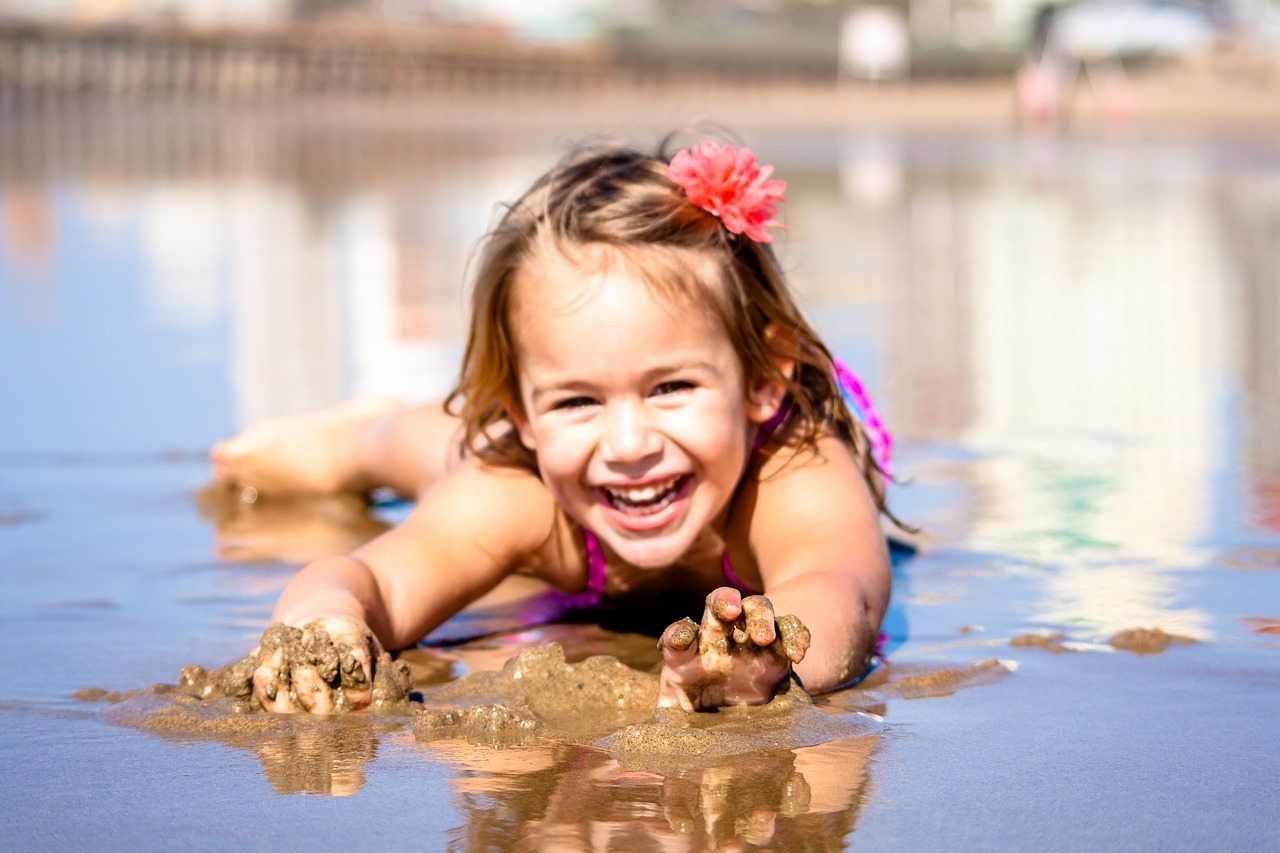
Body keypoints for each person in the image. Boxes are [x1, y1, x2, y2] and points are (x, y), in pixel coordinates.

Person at [211, 136, 900, 714]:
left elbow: (842, 590)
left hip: (751, 432)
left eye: (671, 387)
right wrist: (325, 622)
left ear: (759, 379)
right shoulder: (520, 484)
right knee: (437, 451)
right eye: (577, 400)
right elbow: (377, 581)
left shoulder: (791, 466)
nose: (630, 445)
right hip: (510, 459)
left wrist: (770, 651)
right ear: (524, 413)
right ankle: (359, 435)